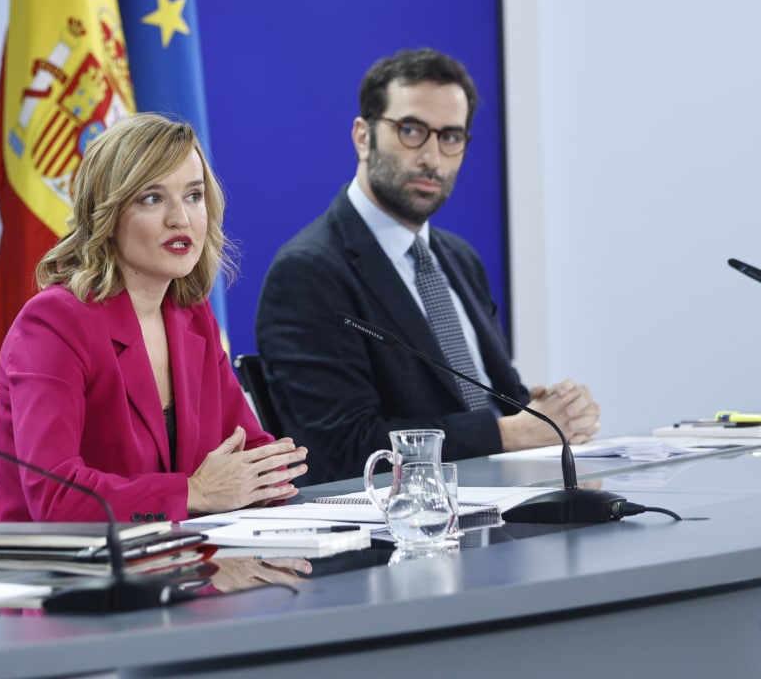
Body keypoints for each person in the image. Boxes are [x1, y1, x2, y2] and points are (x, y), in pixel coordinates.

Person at [254, 48, 601, 485]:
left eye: (451, 137)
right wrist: (509, 432)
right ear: (363, 136)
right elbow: (341, 449)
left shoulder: (457, 257)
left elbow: (483, 400)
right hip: (396, 534)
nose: (432, 158)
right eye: (411, 130)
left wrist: (550, 413)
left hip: (501, 502)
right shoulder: (308, 272)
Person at [0, 113, 308, 524]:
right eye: (152, 198)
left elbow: (250, 455)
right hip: (45, 573)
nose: (180, 219)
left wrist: (270, 476)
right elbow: (54, 496)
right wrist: (195, 491)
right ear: (107, 215)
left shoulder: (191, 316)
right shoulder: (55, 324)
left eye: (193, 196)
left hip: (169, 563)